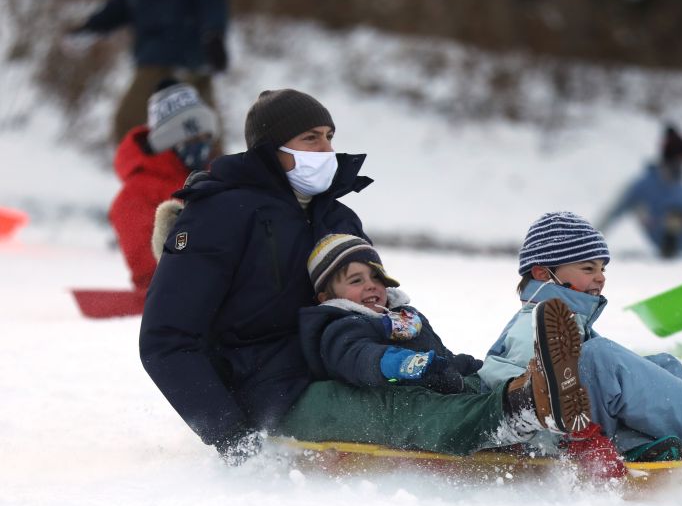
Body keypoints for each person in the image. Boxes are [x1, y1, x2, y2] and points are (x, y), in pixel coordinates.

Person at [140, 89, 592, 465]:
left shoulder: (336, 214)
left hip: (352, 355)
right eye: (310, 138)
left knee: (446, 379)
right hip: (270, 389)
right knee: (392, 410)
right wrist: (230, 436)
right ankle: (515, 414)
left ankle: (550, 402)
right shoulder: (220, 214)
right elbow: (167, 339)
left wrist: (435, 359)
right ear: (269, 150)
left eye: (329, 137)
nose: (326, 150)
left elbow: (375, 298)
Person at [478, 211, 682, 461]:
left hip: (581, 424)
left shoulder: (568, 322)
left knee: (658, 365)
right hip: (561, 433)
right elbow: (522, 398)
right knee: (603, 358)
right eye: (588, 268)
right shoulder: (531, 328)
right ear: (543, 274)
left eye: (602, 268)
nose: (600, 277)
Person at [68, 0, 229, 144]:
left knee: (130, 122)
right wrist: (93, 26)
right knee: (202, 133)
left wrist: (214, 33)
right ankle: (214, 171)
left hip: (176, 52)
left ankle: (161, 172)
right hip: (163, 51)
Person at [299, 233, 483, 395]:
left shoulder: (406, 317)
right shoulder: (341, 326)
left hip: (438, 390)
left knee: (483, 385)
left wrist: (476, 369)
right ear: (326, 297)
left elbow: (441, 356)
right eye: (356, 280)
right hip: (395, 406)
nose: (371, 285)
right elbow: (358, 357)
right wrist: (398, 363)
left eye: (377, 277)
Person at [110, 80, 220, 291]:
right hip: (176, 289)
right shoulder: (137, 193)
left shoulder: (216, 176)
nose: (201, 145)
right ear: (169, 141)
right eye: (191, 139)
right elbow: (147, 267)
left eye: (205, 137)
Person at [599, 124, 682, 260]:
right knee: (675, 206)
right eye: (680, 161)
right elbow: (615, 210)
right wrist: (592, 240)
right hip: (661, 235)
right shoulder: (644, 184)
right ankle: (669, 248)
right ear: (670, 159)